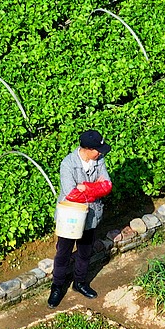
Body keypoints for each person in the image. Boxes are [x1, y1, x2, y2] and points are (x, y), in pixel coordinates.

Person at [48, 130, 113, 308]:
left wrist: (85, 187)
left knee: (85, 252)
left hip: (90, 216)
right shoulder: (68, 164)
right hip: (71, 217)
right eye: (97, 149)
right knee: (63, 253)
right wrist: (94, 188)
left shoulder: (99, 160)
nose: (101, 153)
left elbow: (107, 186)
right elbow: (71, 194)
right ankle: (57, 287)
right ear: (87, 149)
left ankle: (80, 282)